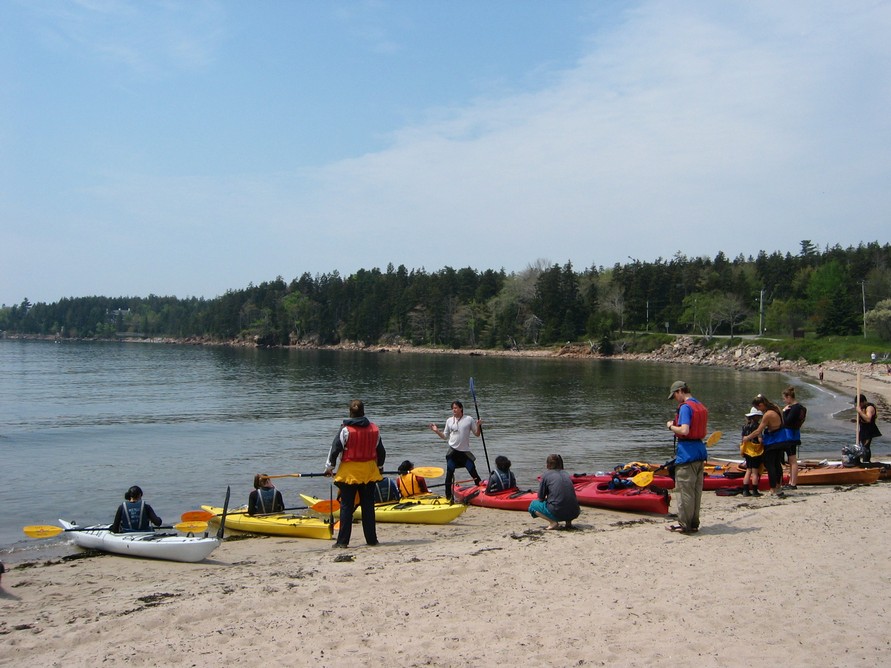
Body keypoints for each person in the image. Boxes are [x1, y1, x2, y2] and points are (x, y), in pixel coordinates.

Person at [325, 399, 385, 548]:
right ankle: (372, 540)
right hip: (369, 472)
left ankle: (342, 542)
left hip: (349, 473)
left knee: (346, 506)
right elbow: (381, 452)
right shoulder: (374, 429)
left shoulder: (345, 430)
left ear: (350, 412)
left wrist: (329, 467)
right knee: (368, 507)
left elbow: (335, 449)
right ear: (363, 412)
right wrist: (380, 466)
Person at [665, 381, 709, 534]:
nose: (676, 399)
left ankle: (684, 524)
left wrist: (670, 426)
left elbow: (684, 430)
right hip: (700, 451)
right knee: (696, 491)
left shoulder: (685, 407)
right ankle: (694, 523)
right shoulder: (701, 406)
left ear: (680, 391)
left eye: (675, 395)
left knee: (685, 491)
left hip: (687, 453)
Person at [430, 400, 483, 501]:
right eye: (452, 408)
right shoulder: (449, 420)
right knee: (449, 473)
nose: (453, 410)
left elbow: (477, 434)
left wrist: (479, 425)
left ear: (461, 408)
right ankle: (448, 497)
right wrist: (436, 431)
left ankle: (482, 492)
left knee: (473, 471)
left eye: (455, 408)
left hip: (464, 453)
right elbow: (445, 436)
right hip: (453, 452)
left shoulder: (468, 419)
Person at [742, 394, 793, 498]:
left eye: (758, 408)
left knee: (770, 466)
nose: (758, 410)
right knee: (777, 465)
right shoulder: (776, 407)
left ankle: (773, 489)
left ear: (761, 404)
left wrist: (747, 438)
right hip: (782, 439)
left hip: (773, 441)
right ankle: (778, 487)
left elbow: (758, 431)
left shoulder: (768, 414)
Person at [529, 454, 580, 530]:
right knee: (566, 500)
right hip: (575, 512)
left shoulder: (546, 475)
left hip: (557, 512)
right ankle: (568, 523)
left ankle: (553, 522)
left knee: (532, 506)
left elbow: (540, 498)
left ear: (547, 465)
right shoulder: (566, 474)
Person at [781, 386, 807, 489]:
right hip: (794, 435)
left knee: (792, 460)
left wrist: (784, 411)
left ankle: (793, 483)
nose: (784, 400)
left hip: (790, 436)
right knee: (791, 460)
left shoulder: (795, 408)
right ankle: (792, 482)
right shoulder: (799, 407)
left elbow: (787, 421)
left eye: (784, 398)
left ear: (788, 397)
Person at [739, 407, 764, 497]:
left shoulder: (745, 426)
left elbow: (743, 439)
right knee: (755, 472)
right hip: (756, 452)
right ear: (756, 417)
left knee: (748, 470)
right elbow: (760, 440)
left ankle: (745, 490)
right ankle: (755, 491)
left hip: (747, 451)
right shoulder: (758, 427)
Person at [854, 393, 882, 463]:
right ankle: (861, 461)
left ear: (863, 401)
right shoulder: (863, 407)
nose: (858, 405)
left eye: (859, 403)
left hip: (869, 429)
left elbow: (868, 419)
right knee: (861, 446)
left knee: (865, 447)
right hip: (863, 429)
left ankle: (866, 462)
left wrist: (860, 412)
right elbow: (863, 419)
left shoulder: (869, 407)